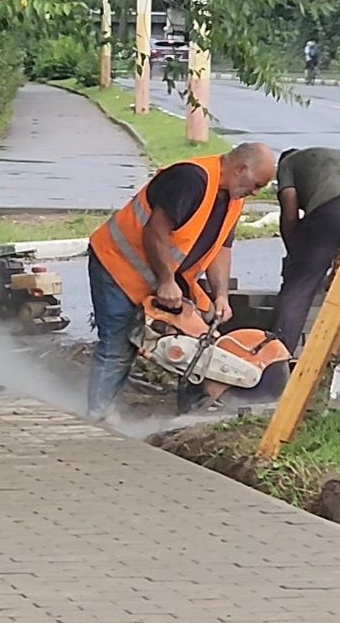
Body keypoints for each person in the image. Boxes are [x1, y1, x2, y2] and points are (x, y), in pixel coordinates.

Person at [85, 142, 276, 419]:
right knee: (118, 346)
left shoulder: (233, 198)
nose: (257, 192)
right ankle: (96, 418)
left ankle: (194, 410)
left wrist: (220, 296)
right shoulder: (191, 179)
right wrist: (166, 281)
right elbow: (154, 232)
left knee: (203, 339)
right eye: (257, 184)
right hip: (116, 264)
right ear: (240, 168)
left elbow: (222, 248)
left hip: (164, 277)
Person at [272, 147, 340, 356]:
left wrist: (296, 258)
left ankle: (277, 354)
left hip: (333, 210)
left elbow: (289, 214)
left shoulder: (287, 164)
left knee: (299, 287)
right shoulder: (330, 156)